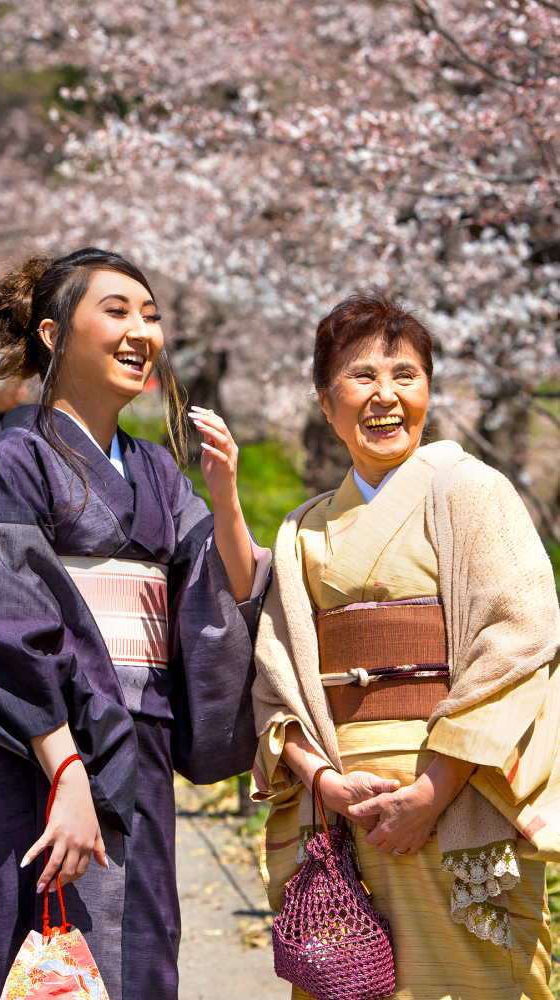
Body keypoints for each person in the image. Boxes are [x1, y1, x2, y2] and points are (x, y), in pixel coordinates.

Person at [0, 247, 270, 1000]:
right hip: (40, 752)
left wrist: (228, 498)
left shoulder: (155, 471)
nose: (141, 331)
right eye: (116, 310)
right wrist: (66, 774)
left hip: (138, 742)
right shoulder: (15, 463)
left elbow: (227, 588)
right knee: (58, 966)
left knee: (144, 959)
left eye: (150, 315)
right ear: (53, 334)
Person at [252, 293, 559, 1000]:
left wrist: (430, 792)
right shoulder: (303, 531)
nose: (386, 396)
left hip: (459, 791)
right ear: (326, 403)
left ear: (428, 390)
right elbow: (275, 685)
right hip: (346, 804)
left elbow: (520, 639)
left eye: (407, 374)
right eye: (362, 376)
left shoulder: (471, 491)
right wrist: (325, 782)